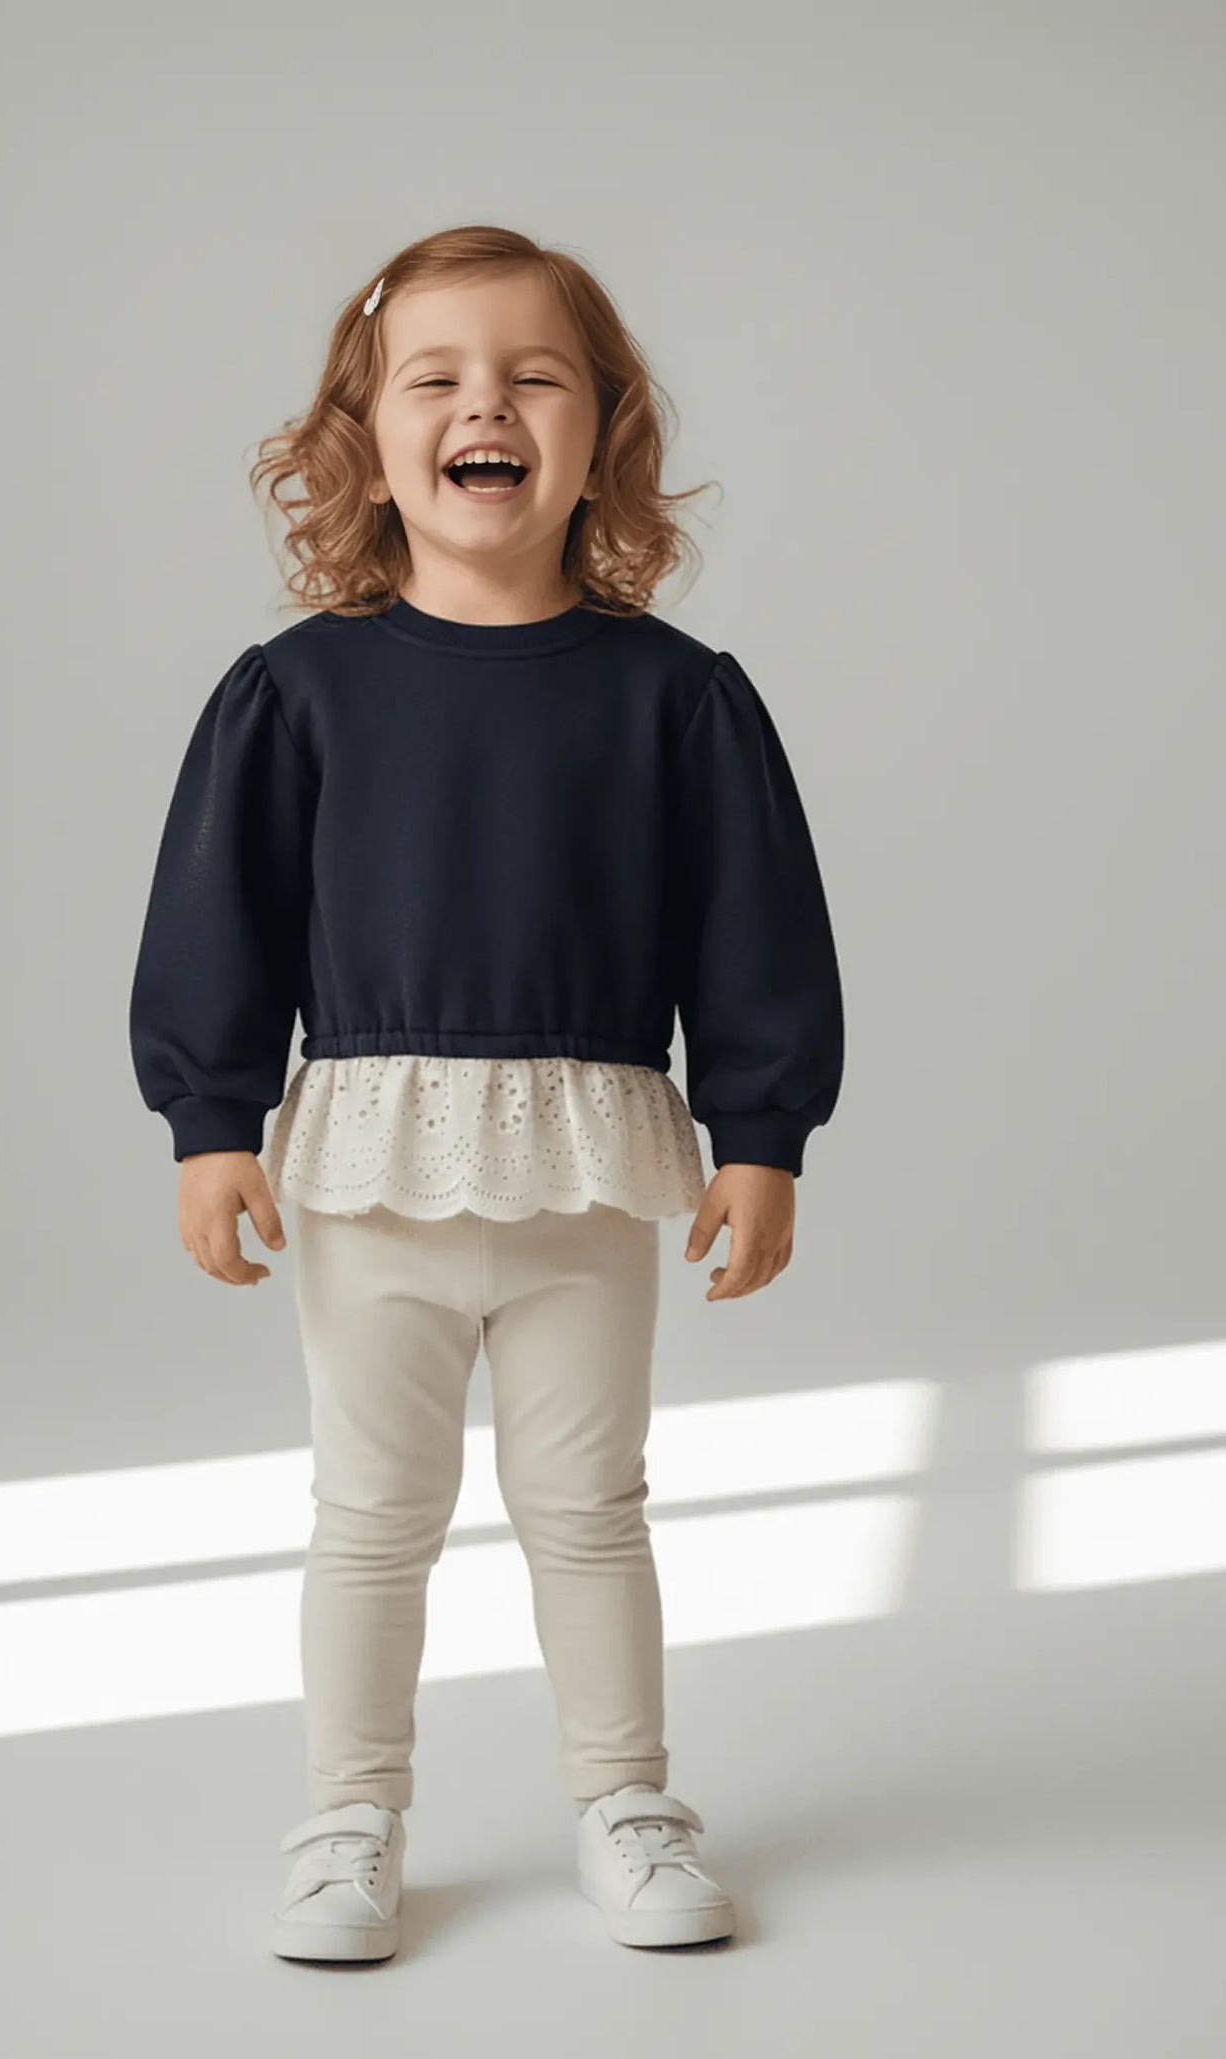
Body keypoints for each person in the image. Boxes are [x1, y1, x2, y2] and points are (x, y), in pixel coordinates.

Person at [128, 224, 845, 1963]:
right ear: (363, 437)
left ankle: (627, 1799)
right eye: (435, 377)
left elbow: (754, 926)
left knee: (589, 1507)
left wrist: (763, 1135)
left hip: (592, 1170)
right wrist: (210, 1117)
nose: (486, 405)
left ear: (601, 427)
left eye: (534, 375)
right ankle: (349, 1817)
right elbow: (213, 914)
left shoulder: (678, 699)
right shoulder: (294, 692)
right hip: (371, 1166)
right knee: (370, 1517)